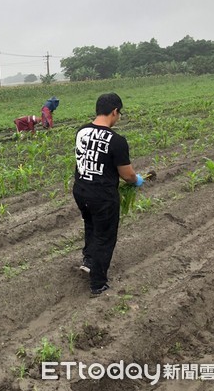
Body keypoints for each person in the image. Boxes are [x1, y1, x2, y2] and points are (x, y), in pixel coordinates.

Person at [73, 93, 144, 297]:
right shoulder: (117, 141)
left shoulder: (82, 131)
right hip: (102, 196)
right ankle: (98, 284)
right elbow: (127, 175)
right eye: (119, 113)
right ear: (114, 111)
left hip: (81, 190)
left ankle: (88, 261)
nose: (118, 117)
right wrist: (136, 179)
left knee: (91, 225)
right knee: (105, 236)